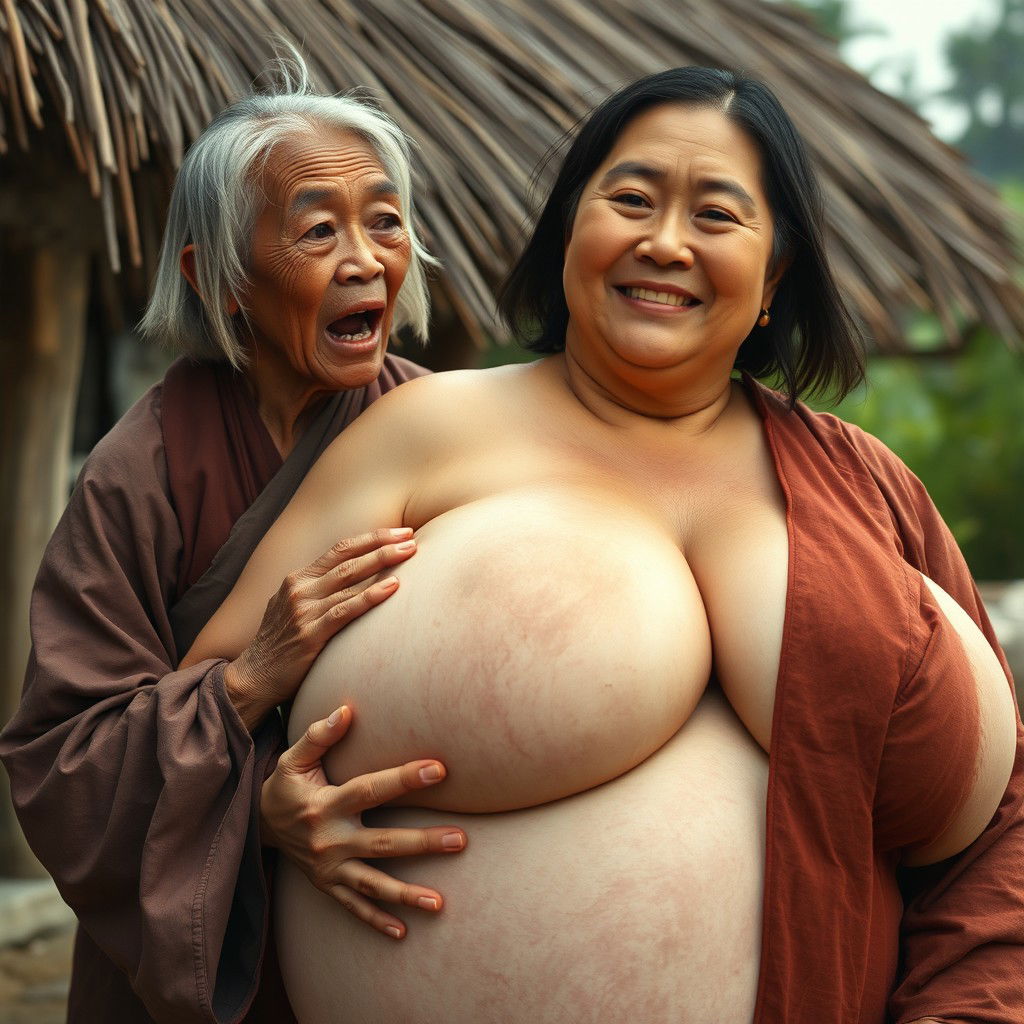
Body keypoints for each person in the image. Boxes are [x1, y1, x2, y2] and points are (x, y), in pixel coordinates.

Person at [185, 67, 1024, 1022]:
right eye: (630, 200)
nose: (664, 243)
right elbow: (204, 701)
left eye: (717, 215)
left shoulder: (869, 488)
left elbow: (1004, 815)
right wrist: (260, 814)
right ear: (569, 228)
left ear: (774, 275)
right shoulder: (420, 434)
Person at [0, 62, 470, 1023]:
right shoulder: (143, 472)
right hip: (206, 962)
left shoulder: (443, 429)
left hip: (406, 936)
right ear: (216, 275)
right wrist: (250, 686)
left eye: (384, 220)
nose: (366, 260)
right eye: (316, 230)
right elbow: (61, 761)